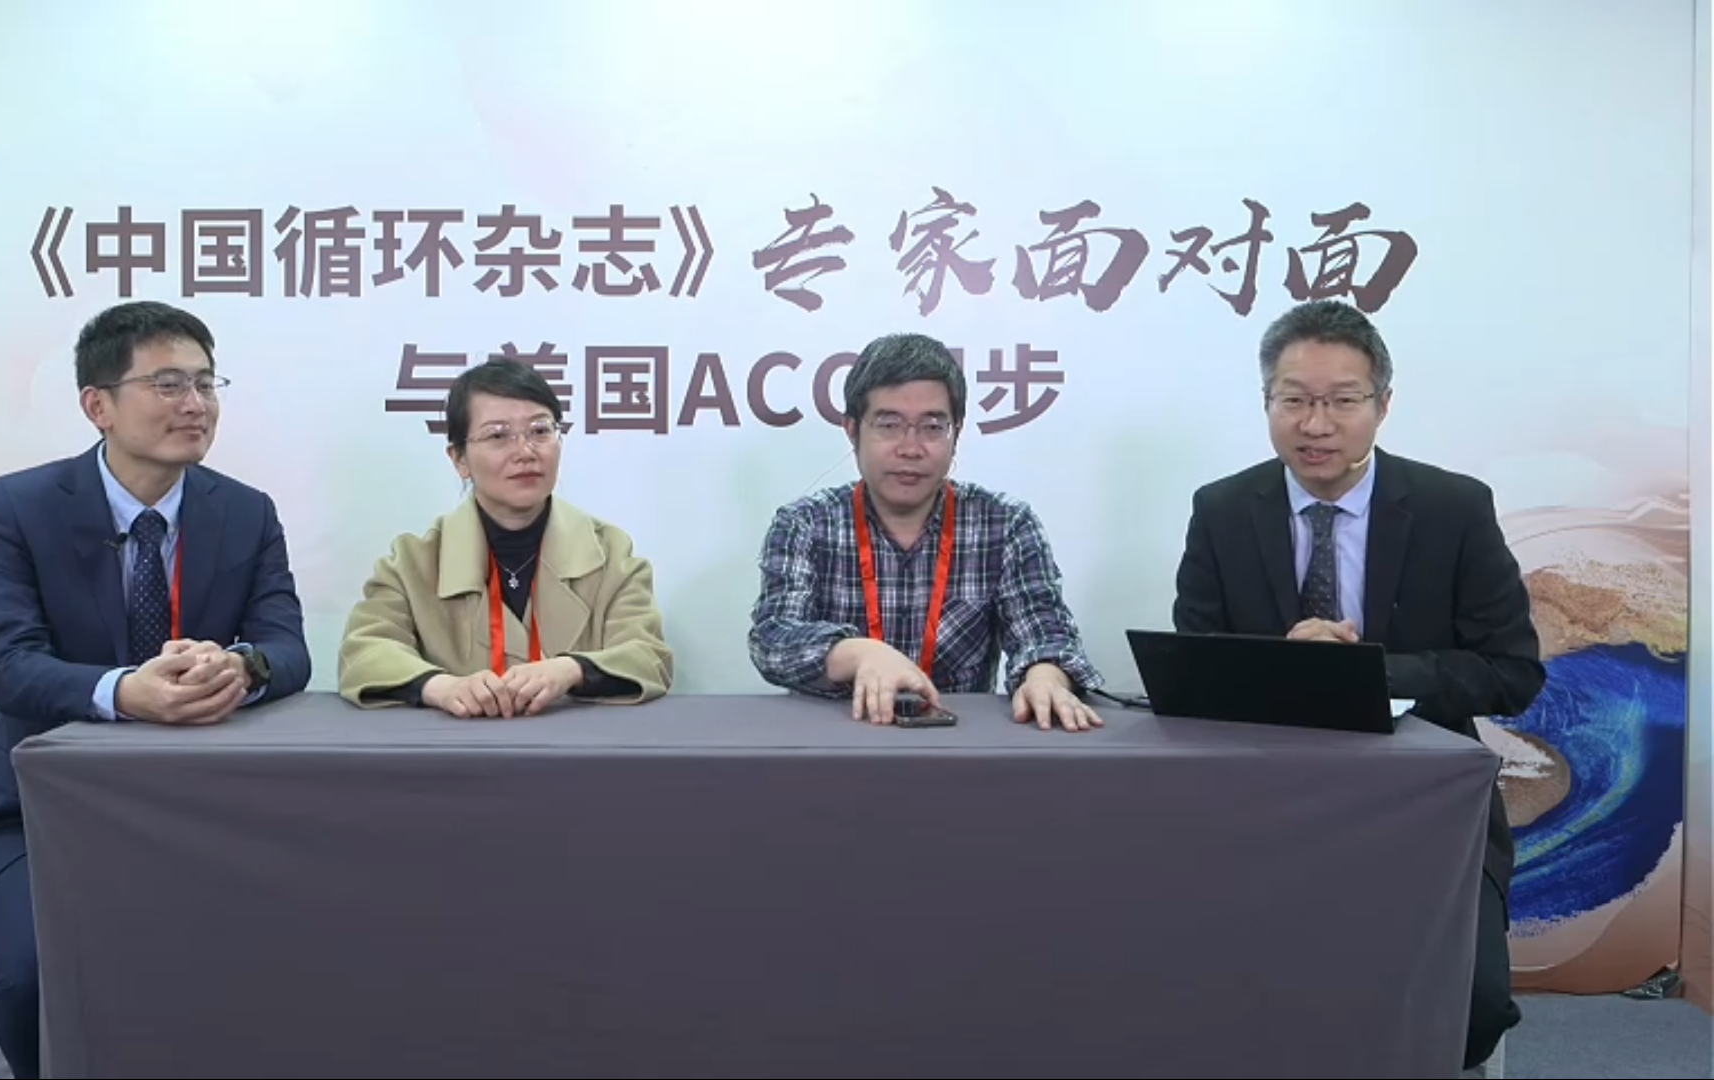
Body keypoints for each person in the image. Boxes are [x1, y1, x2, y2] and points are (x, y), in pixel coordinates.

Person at [1171, 298, 1543, 1074]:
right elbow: (1196, 669)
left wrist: (1365, 671)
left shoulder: (1453, 509)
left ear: (1383, 404)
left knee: (1470, 1005)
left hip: (1427, 803)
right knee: (1205, 988)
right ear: (1267, 401)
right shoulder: (1223, 510)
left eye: (1342, 401)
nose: (1316, 425)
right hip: (1260, 803)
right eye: (1294, 400)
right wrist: (1286, 664)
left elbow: (1512, 672)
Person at [0, 300, 311, 1079]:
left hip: (208, 810)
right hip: (38, 811)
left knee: (294, 954)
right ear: (98, 405)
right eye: (169, 383)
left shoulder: (244, 512)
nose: (195, 404)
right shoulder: (13, 508)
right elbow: (8, 664)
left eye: (207, 383)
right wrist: (123, 692)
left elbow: (288, 649)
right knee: (34, 976)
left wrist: (240, 667)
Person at [748, 331, 1105, 728]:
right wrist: (861, 654)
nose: (911, 448)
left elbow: (1045, 634)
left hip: (959, 742)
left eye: (932, 427)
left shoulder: (1005, 524)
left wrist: (1045, 678)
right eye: (889, 425)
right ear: (852, 430)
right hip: (838, 739)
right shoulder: (804, 524)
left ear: (957, 431)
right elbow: (773, 639)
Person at [338, 358, 673, 715]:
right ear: (459, 459)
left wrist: (571, 670)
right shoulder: (413, 562)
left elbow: (646, 655)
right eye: (498, 435)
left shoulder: (611, 553)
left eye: (540, 431)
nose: (525, 452)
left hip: (579, 746)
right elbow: (365, 651)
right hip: (457, 744)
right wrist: (442, 687)